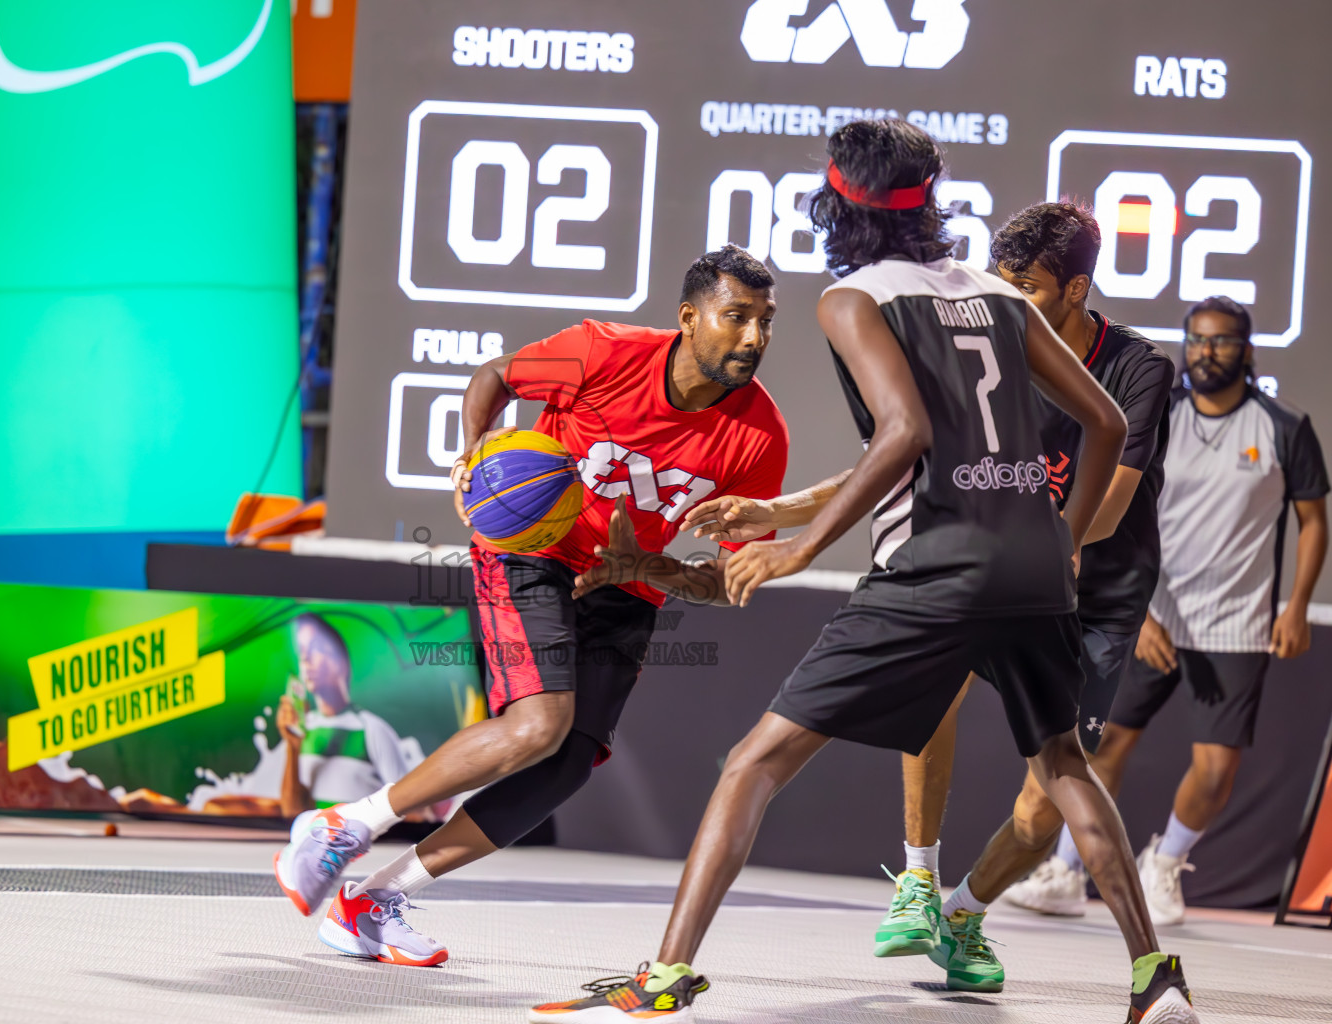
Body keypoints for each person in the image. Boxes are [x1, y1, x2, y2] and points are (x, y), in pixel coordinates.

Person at [529, 119, 1201, 1024]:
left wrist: (799, 549)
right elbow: (1107, 428)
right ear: (932, 201)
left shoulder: (853, 300)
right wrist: (1066, 545)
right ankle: (1154, 978)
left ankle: (664, 976)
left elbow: (908, 434)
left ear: (837, 205)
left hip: (934, 568)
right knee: (1063, 762)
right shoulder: (996, 293)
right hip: (1034, 569)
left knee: (752, 766)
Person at [274, 245, 792, 968]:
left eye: (766, 322)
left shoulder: (760, 437)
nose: (753, 338)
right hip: (530, 552)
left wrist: (649, 566)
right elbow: (495, 377)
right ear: (689, 317)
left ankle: (373, 900)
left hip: (625, 588)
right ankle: (343, 824)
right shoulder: (602, 354)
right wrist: (473, 453)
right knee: (537, 725)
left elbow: (731, 582)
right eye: (737, 317)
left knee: (565, 763)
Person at [864, 202, 1174, 991]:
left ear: (1075, 290)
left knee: (1043, 812)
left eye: (1028, 289)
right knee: (931, 688)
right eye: (1001, 282)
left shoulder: (1139, 369)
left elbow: (1108, 502)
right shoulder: (978, 349)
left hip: (1094, 595)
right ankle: (919, 882)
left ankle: (965, 915)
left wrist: (1054, 546)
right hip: (1000, 565)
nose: (1008, 301)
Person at [1019, 296, 1328, 927]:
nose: (1205, 352)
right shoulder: (1161, 414)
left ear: (1245, 349)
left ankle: (1165, 864)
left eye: (1220, 341)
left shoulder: (1283, 427)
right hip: (1150, 611)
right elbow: (1124, 508)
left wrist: (1296, 606)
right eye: (1196, 340)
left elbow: (1312, 519)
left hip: (1236, 625)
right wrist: (1145, 612)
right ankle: (1065, 872)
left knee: (1216, 769)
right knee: (1097, 751)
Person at [275, 614, 412, 820]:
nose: (305, 659)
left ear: (341, 660)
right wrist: (293, 748)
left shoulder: (372, 730)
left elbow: (409, 809)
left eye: (315, 648)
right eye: (302, 651)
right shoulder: (302, 730)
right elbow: (292, 814)